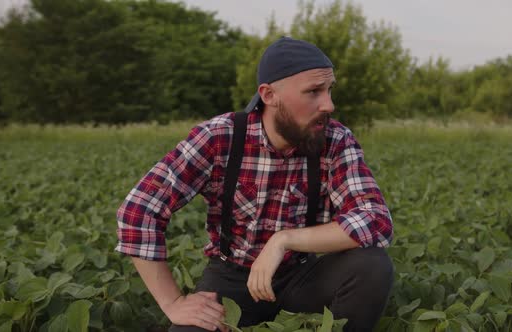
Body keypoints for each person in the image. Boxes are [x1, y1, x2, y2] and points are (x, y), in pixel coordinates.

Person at [115, 36, 394, 332]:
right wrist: (172, 303)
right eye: (314, 91)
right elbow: (139, 212)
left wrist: (284, 240)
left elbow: (375, 219)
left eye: (329, 90)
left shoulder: (336, 140)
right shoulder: (220, 137)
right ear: (269, 95)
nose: (329, 104)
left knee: (372, 266)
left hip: (301, 275)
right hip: (231, 279)